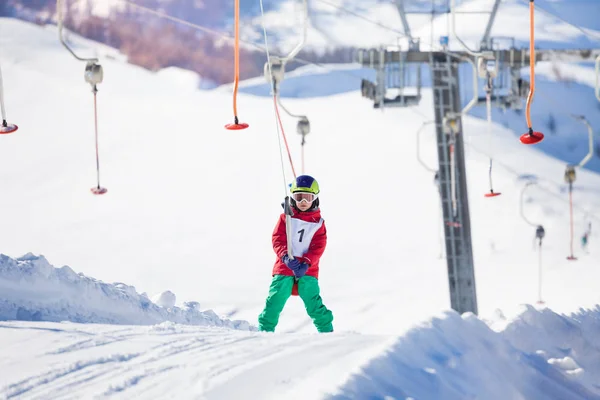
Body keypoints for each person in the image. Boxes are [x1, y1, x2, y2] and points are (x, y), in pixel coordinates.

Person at [258, 175, 334, 333]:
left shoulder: (318, 223)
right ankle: (264, 332)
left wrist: (306, 263)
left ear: (315, 198)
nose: (303, 202)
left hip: (308, 270)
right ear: (292, 198)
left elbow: (319, 246)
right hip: (285, 266)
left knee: (314, 304)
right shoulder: (286, 218)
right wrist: (285, 256)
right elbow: (278, 239)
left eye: (308, 197)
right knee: (275, 300)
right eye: (298, 198)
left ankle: (327, 332)